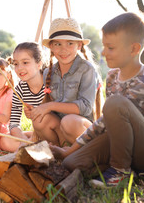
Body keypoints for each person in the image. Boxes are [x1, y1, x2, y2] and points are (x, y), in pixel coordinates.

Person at [53, 12, 144, 188]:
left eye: (110, 48)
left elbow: (107, 117)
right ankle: (118, 168)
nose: (103, 52)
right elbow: (107, 123)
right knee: (70, 163)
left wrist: (72, 147)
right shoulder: (112, 77)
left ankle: (120, 171)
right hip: (121, 142)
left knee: (115, 103)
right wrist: (68, 153)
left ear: (134, 49)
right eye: (104, 46)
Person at [31, 18, 102, 147]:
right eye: (58, 44)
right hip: (61, 129)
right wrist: (37, 110)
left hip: (80, 129)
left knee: (69, 121)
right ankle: (60, 152)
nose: (64, 50)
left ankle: (81, 152)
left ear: (79, 45)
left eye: (70, 43)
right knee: (39, 120)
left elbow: (85, 107)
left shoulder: (87, 69)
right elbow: (49, 106)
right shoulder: (48, 72)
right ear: (51, 47)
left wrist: (50, 106)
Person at [4, 42, 46, 151]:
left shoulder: (50, 83)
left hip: (54, 133)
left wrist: (37, 112)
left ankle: (37, 148)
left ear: (39, 64)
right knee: (5, 140)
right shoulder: (19, 90)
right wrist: (24, 141)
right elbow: (13, 124)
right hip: (38, 134)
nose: (19, 68)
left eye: (25, 62)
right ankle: (31, 148)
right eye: (16, 64)